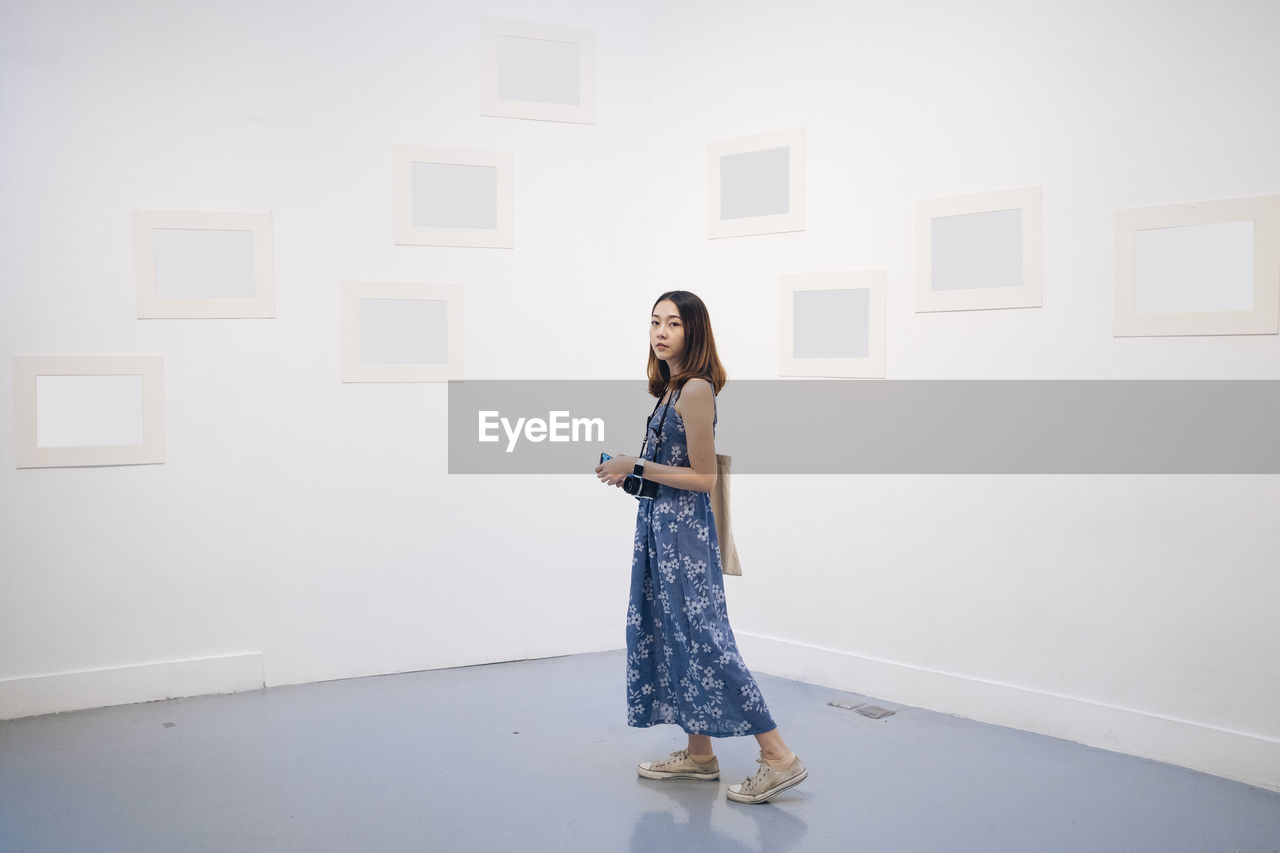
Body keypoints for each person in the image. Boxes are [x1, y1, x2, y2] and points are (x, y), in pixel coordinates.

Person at [594, 290, 807, 805]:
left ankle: (779, 756)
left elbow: (703, 477)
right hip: (659, 530)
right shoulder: (667, 390)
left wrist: (635, 465)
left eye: (673, 323)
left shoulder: (694, 390)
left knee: (707, 641)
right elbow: (674, 471)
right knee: (673, 636)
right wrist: (632, 476)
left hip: (684, 537)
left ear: (694, 332)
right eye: (654, 322)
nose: (661, 331)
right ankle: (699, 753)